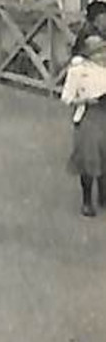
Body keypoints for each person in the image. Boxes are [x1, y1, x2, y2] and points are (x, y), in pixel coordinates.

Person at [60, 33, 106, 217]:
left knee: (105, 155)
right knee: (89, 157)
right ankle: (87, 201)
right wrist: (86, 99)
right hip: (88, 115)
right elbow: (66, 97)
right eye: (97, 51)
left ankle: (104, 195)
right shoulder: (78, 70)